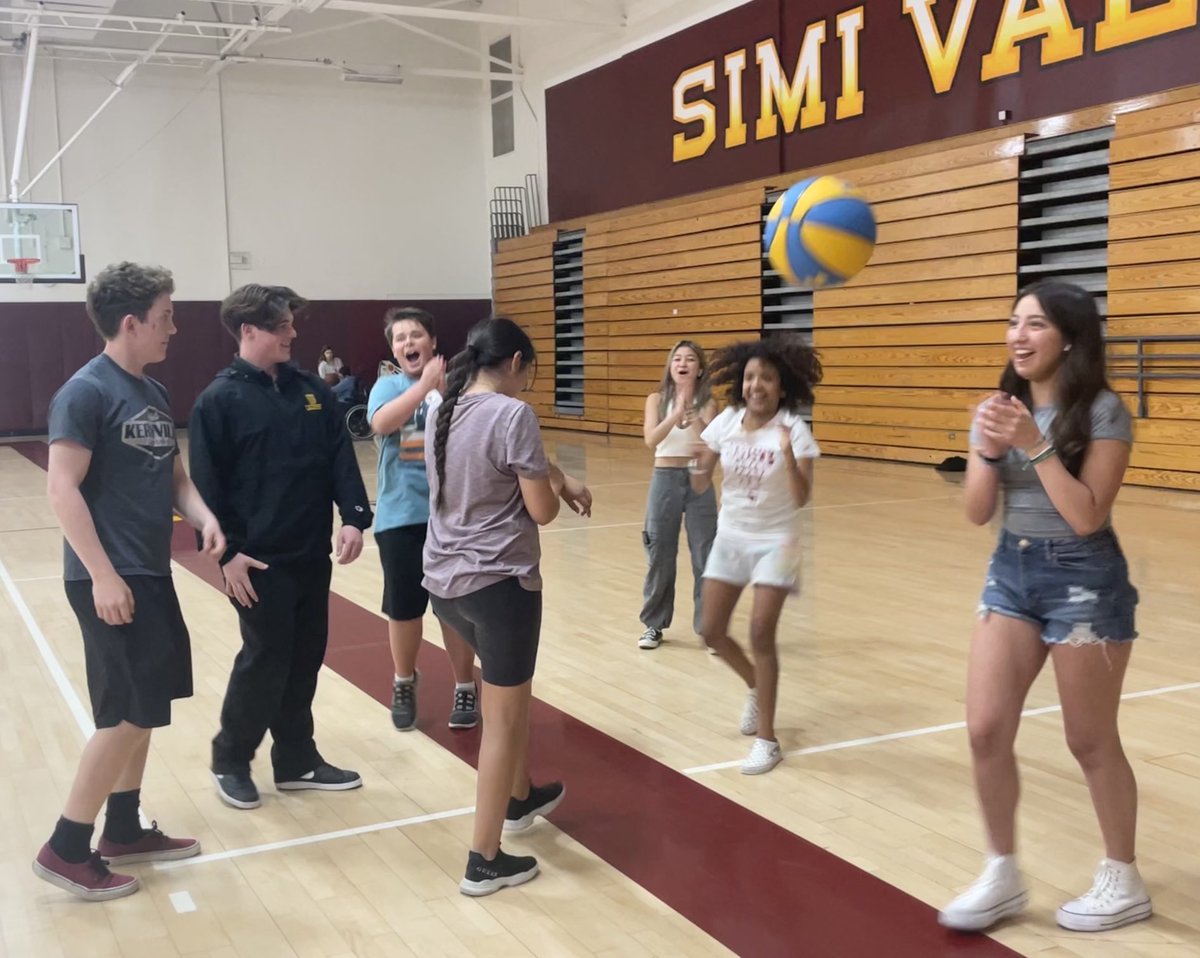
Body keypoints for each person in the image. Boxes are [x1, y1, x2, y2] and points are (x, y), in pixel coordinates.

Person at [938, 281, 1151, 934]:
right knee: (984, 729)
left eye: (1035, 325)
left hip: (1085, 581)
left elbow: (1088, 515)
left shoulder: (1104, 411)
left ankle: (1124, 878)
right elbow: (977, 512)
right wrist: (988, 448)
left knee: (1088, 739)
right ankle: (1001, 871)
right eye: (1013, 323)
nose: (1018, 336)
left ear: (1070, 338)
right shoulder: (999, 410)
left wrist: (1035, 444)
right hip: (1012, 573)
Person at [34, 262, 225, 900]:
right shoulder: (85, 392)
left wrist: (203, 516)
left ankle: (123, 827)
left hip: (149, 571)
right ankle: (66, 847)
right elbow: (62, 490)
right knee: (121, 715)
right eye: (166, 316)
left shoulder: (155, 392)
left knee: (147, 708)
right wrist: (103, 576)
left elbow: (173, 476)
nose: (175, 326)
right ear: (131, 322)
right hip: (110, 578)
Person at [188, 284, 373, 810]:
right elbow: (204, 490)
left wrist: (355, 518)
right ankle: (230, 759)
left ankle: (296, 760)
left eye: (292, 323)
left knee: (306, 656)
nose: (293, 333)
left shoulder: (311, 390)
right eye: (282, 326)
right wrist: (227, 556)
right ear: (249, 331)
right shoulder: (218, 401)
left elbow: (340, 456)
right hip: (255, 561)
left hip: (310, 553)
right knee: (266, 658)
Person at [424, 316, 592, 896]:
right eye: (531, 372)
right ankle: (483, 858)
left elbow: (507, 468)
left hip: (445, 584)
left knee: (504, 701)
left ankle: (520, 798)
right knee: (505, 720)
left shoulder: (444, 408)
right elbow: (540, 511)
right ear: (516, 364)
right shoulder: (513, 413)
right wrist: (558, 487)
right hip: (499, 587)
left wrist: (560, 475)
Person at [689, 338, 822, 776]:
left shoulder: (794, 430)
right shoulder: (726, 422)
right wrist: (700, 465)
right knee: (710, 631)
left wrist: (786, 453)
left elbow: (802, 498)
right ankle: (753, 685)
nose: (756, 384)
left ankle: (768, 740)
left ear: (782, 387)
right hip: (732, 537)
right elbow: (700, 485)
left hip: (777, 542)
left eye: (766, 377)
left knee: (761, 633)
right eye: (749, 377)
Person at [367, 306, 479, 731]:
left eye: (415, 335)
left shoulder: (461, 386)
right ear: (393, 349)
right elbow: (381, 424)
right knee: (404, 609)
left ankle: (465, 686)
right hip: (401, 516)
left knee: (454, 609)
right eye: (400, 338)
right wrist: (424, 387)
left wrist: (443, 387)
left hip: (451, 517)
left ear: (432, 342)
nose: (408, 343)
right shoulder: (388, 386)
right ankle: (403, 681)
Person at [637, 341, 718, 650]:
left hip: (699, 479)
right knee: (660, 553)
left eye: (690, 359)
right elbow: (650, 439)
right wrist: (675, 415)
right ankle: (654, 625)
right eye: (677, 359)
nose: (682, 363)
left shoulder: (709, 402)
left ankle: (710, 628)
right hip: (665, 477)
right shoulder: (656, 399)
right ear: (670, 367)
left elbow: (711, 443)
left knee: (705, 554)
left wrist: (694, 415)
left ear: (699, 369)